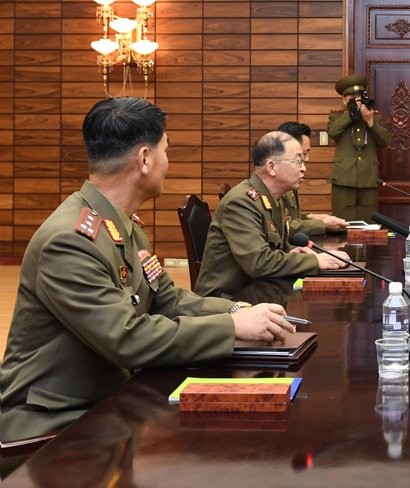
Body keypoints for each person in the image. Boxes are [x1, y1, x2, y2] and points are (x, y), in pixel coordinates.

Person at [0, 97, 295, 442]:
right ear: (143, 159)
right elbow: (127, 338)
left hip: (111, 394)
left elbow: (167, 299)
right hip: (55, 417)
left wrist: (236, 310)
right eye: (165, 150)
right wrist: (231, 327)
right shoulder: (70, 239)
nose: (168, 163)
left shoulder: (122, 225)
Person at [195, 131, 350, 299]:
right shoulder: (241, 202)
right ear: (271, 167)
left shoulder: (274, 198)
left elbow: (276, 247)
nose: (304, 168)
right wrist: (316, 262)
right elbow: (258, 262)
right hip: (228, 300)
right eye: (298, 161)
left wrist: (298, 252)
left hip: (260, 290)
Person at [327, 74, 392, 221]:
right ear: (344, 99)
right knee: (342, 222)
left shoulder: (374, 117)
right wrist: (350, 114)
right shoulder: (336, 117)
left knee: (369, 222)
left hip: (368, 178)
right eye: (352, 97)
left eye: (359, 96)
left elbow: (385, 141)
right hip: (343, 178)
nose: (357, 100)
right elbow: (333, 132)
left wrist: (370, 121)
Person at [276, 121, 347, 234]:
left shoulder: (291, 179)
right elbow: (280, 226)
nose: (307, 159)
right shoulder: (276, 182)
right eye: (303, 154)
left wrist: (310, 217)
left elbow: (290, 218)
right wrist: (322, 224)